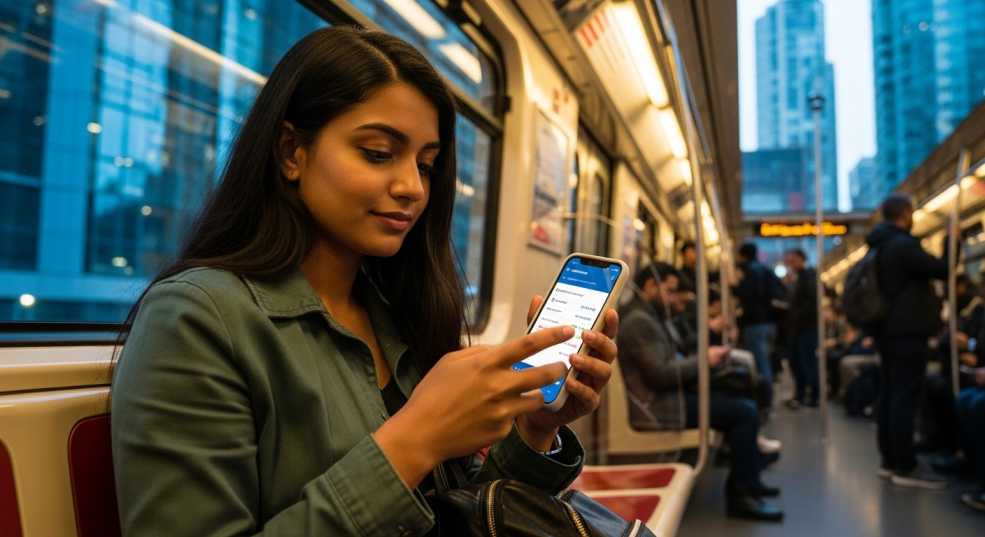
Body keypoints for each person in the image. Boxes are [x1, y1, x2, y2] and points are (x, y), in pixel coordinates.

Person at [110, 28, 620, 536]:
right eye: (378, 153)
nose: (412, 188)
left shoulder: (394, 311)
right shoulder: (197, 319)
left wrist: (535, 427)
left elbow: (463, 517)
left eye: (426, 164)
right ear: (292, 151)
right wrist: (414, 440)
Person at [618, 262, 783, 522]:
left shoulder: (651, 316)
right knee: (743, 412)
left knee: (738, 396)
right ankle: (740, 497)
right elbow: (661, 375)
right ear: (651, 286)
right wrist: (704, 359)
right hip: (660, 407)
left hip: (670, 398)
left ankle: (749, 482)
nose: (674, 298)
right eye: (670, 291)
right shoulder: (639, 321)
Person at [867, 194, 949, 489]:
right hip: (907, 332)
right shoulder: (902, 245)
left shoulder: (879, 245)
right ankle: (906, 465)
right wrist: (951, 241)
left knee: (890, 394)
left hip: (888, 332)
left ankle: (889, 461)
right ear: (905, 213)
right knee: (905, 396)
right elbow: (942, 268)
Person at [733, 242, 780, 410]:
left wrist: (734, 286)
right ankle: (767, 394)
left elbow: (748, 294)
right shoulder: (766, 270)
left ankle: (765, 397)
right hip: (769, 322)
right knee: (765, 359)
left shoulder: (750, 271)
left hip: (755, 323)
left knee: (759, 362)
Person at [783, 248, 819, 409]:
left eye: (792, 260)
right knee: (797, 362)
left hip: (806, 327)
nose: (790, 264)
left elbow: (810, 303)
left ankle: (813, 395)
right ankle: (801, 394)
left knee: (807, 362)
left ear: (800, 259)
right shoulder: (798, 278)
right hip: (798, 328)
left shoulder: (808, 276)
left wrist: (795, 314)